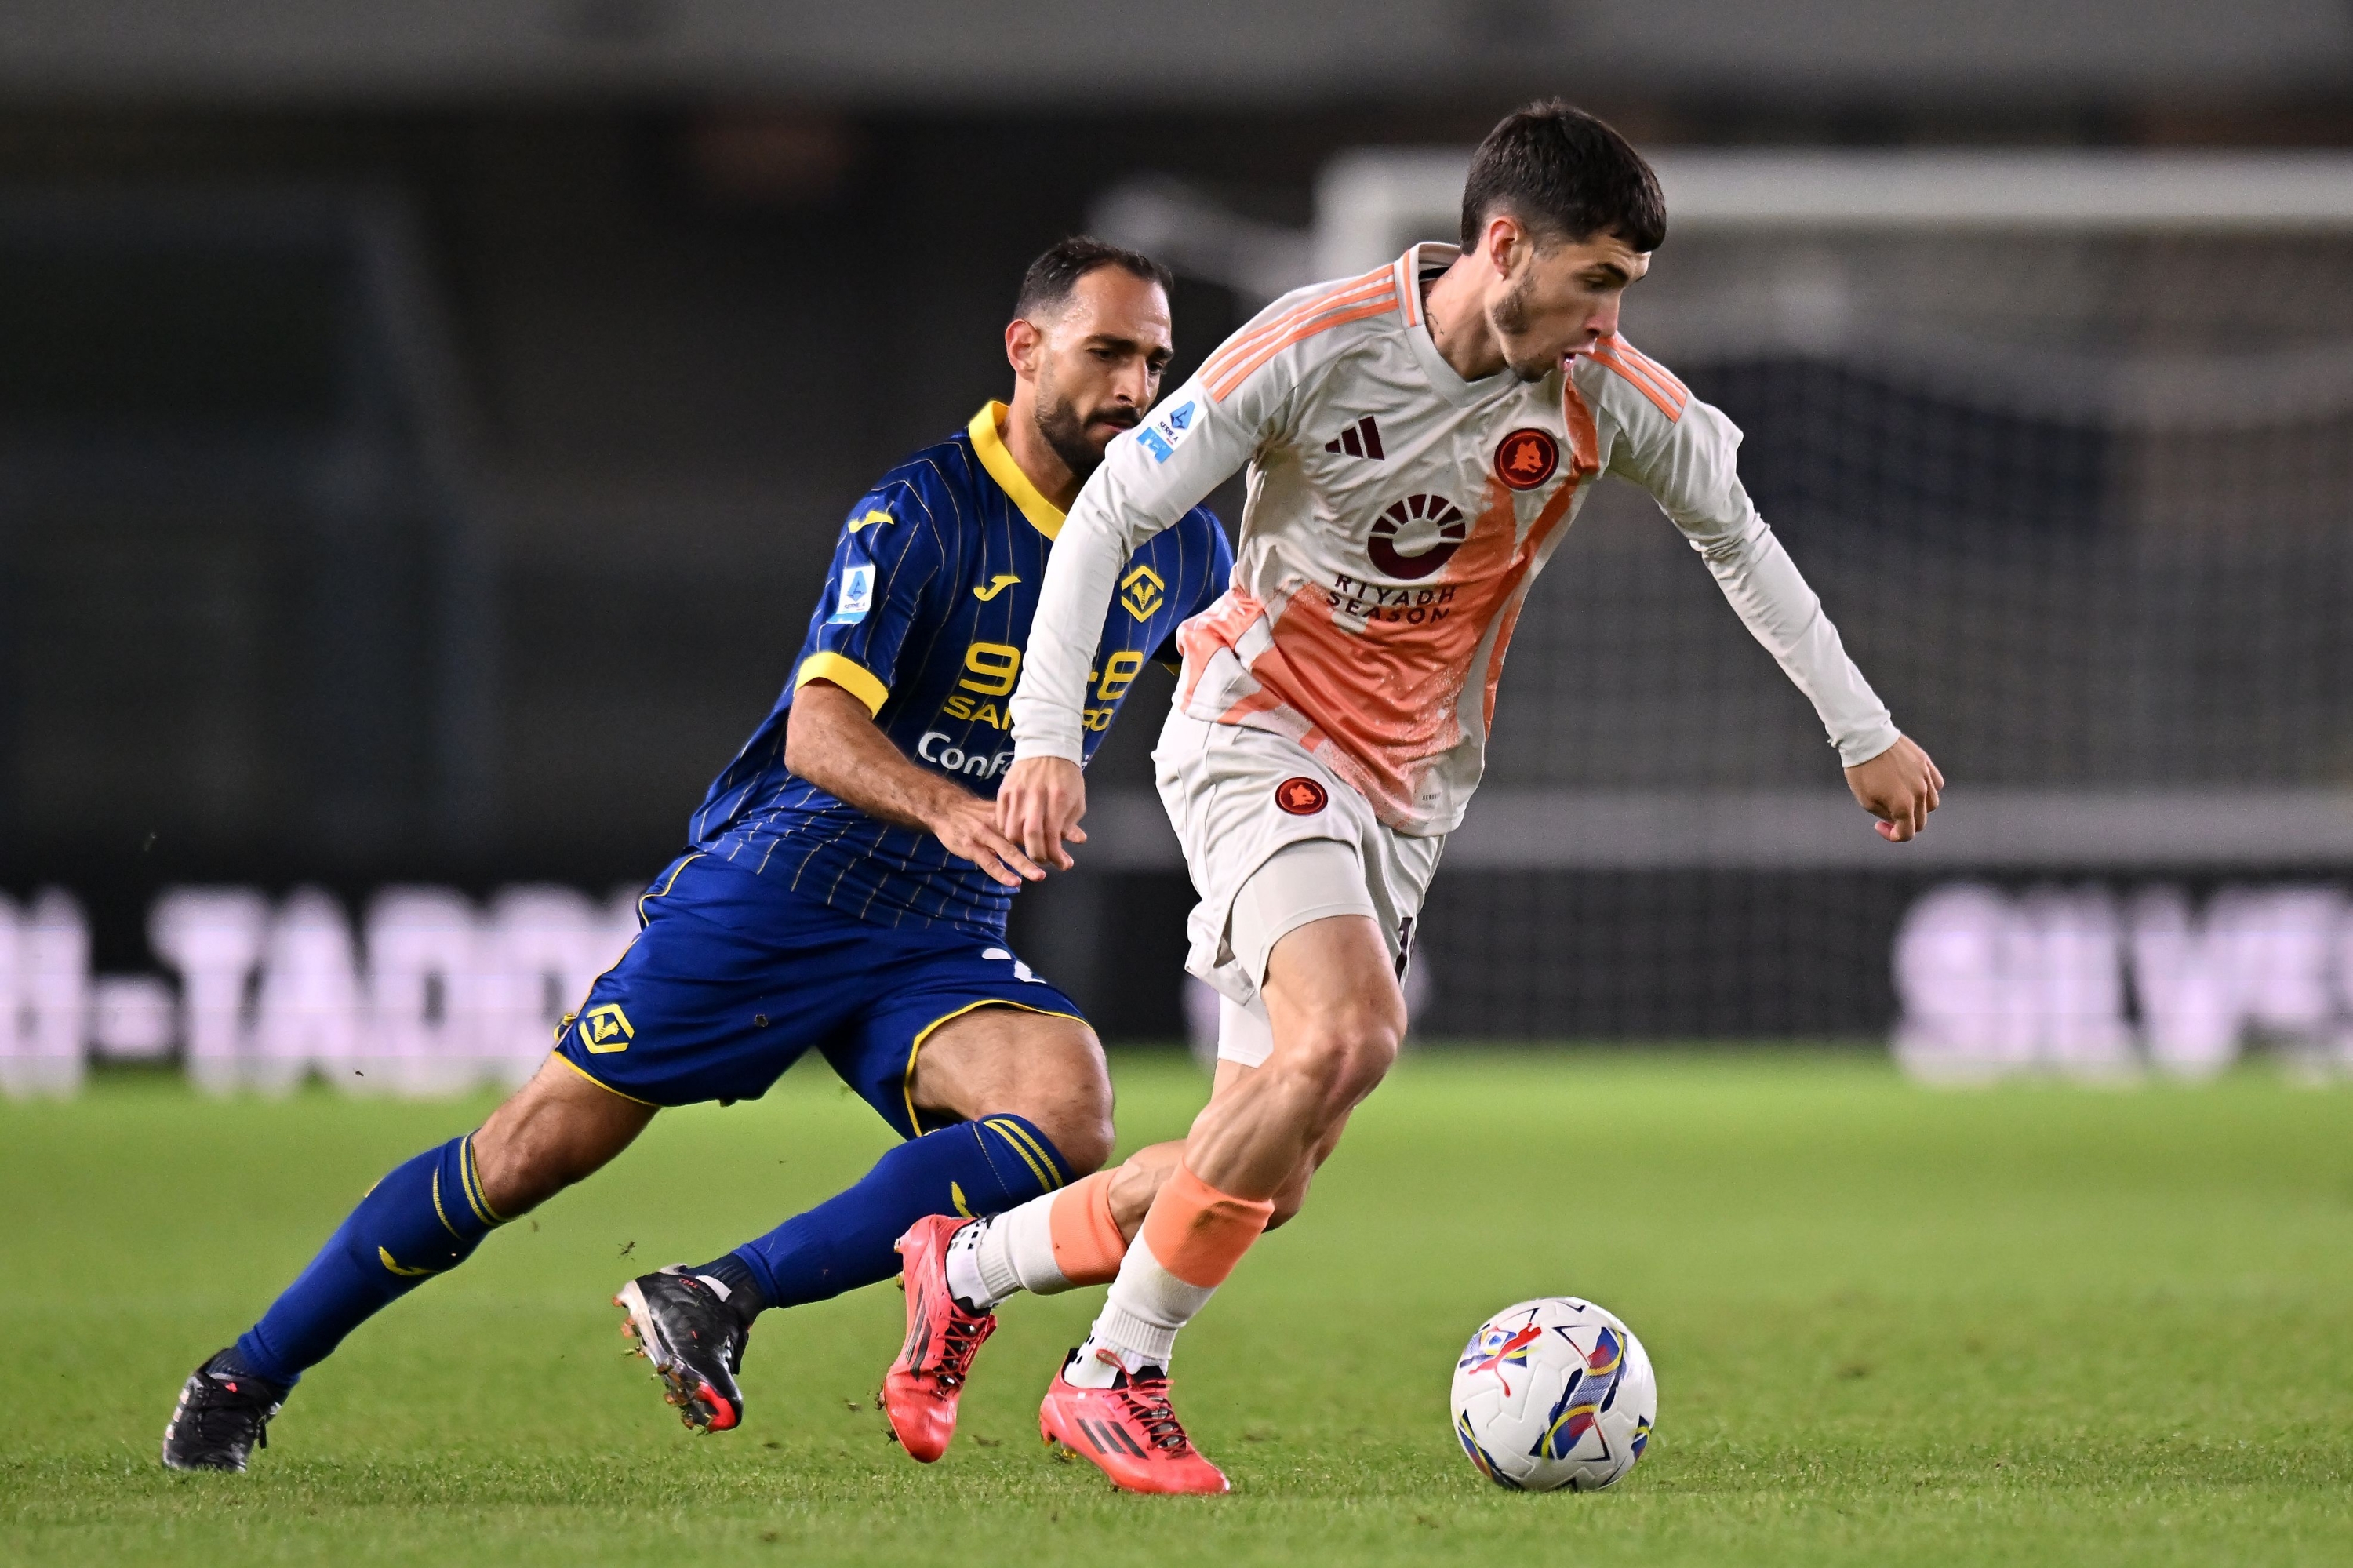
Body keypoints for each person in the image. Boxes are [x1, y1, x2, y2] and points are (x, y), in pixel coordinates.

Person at [959, 101, 1943, 1494]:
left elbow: (1742, 540)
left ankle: (970, 1261)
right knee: (1354, 1031)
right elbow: (1119, 500)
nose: (1612, 319)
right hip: (1256, 728)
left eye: (1628, 291)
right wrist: (1044, 735)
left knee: (1272, 1170)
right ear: (1504, 246)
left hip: (1408, 790)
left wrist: (1864, 730)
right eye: (1597, 279)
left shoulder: (1609, 396)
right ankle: (1116, 1374)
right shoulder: (1319, 341)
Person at [160, 237, 1233, 1472]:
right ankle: (246, 1371)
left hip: (942, 924)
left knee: (1066, 1110)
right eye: (1107, 353)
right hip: (791, 886)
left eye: (1154, 361)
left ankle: (718, 1296)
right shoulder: (923, 509)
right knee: (527, 1155)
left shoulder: (1179, 544)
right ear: (1026, 347)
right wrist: (945, 804)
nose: (1134, 389)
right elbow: (821, 732)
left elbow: (1248, 676)